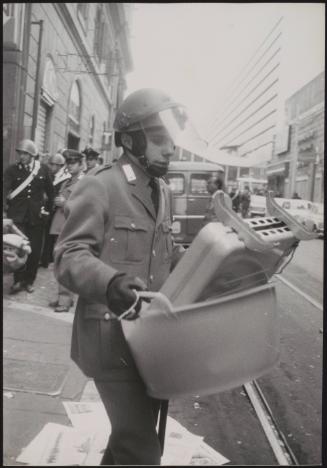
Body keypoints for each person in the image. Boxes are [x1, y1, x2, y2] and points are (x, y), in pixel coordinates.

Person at [54, 88, 188, 465]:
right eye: (160, 141)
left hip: (150, 341)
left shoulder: (161, 190)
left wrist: (218, 258)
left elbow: (164, 255)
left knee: (130, 441)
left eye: (171, 142)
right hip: (110, 341)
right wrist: (112, 284)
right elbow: (68, 255)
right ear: (130, 140)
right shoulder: (101, 184)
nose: (170, 150)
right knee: (141, 450)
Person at [3, 139, 54, 293]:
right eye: (20, 153)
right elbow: (3, 191)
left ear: (32, 155)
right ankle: (18, 280)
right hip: (17, 217)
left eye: (25, 154)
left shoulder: (43, 170)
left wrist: (46, 212)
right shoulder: (12, 170)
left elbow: (51, 194)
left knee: (35, 250)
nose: (22, 156)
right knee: (18, 248)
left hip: (36, 217)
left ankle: (29, 280)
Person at [49, 149, 84, 312]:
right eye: (68, 163)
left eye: (73, 163)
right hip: (60, 227)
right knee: (58, 262)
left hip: (71, 228)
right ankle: (62, 296)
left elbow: (84, 206)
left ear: (80, 165)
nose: (69, 166)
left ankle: (65, 298)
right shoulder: (67, 182)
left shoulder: (84, 183)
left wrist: (65, 204)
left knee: (66, 263)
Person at [40, 152, 68, 268]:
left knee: (51, 236)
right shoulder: (49, 174)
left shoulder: (65, 178)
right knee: (44, 234)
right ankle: (43, 258)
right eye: (51, 164)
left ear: (61, 166)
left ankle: (47, 259)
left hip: (56, 210)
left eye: (56, 165)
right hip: (46, 207)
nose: (52, 167)